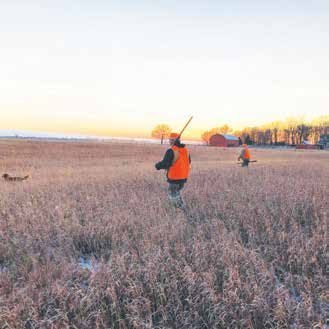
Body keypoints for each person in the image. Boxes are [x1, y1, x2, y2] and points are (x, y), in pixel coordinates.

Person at [155, 133, 191, 209]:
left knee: (172, 194)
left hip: (175, 178)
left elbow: (165, 164)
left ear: (174, 141)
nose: (170, 141)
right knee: (176, 193)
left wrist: (157, 166)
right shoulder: (186, 150)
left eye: (171, 140)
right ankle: (181, 207)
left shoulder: (171, 151)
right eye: (169, 140)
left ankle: (180, 209)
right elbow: (189, 162)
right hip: (183, 178)